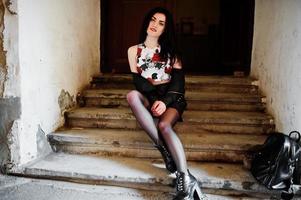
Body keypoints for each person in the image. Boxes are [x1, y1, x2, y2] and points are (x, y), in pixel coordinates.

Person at [126, 7, 207, 200]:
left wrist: (164, 101)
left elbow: (178, 84)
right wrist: (155, 97)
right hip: (151, 96)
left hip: (172, 98)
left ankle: (185, 179)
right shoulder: (133, 51)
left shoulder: (172, 54)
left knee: (163, 125)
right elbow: (139, 82)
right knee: (131, 96)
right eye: (153, 20)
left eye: (161, 23)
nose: (154, 25)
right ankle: (165, 149)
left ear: (165, 29)